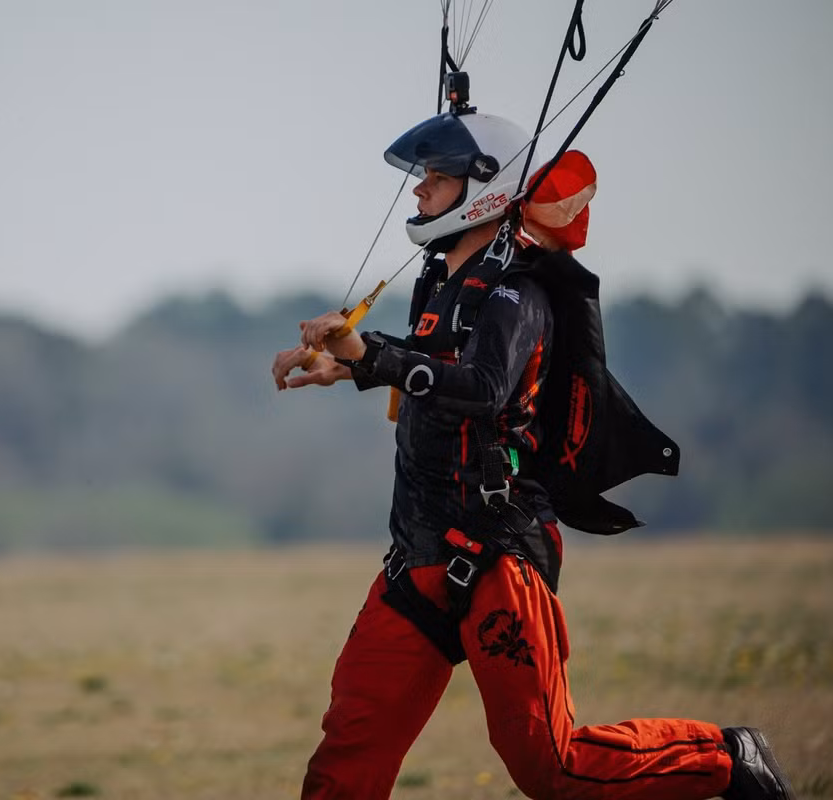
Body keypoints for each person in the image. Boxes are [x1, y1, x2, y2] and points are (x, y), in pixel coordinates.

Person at [271, 108, 796, 800]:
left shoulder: (519, 293)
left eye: (437, 175)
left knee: (554, 767)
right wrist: (355, 366)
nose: (420, 189)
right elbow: (432, 359)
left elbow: (486, 388)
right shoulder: (442, 285)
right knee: (348, 758)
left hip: (495, 557)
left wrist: (371, 353)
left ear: (485, 189)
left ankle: (728, 759)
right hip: (417, 560)